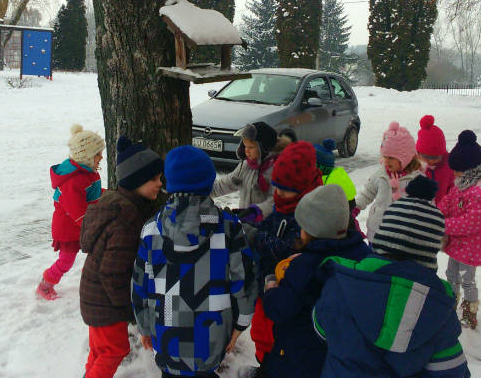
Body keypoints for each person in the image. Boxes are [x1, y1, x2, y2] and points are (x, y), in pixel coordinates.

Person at [312, 177, 470, 378]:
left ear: (382, 238)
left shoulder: (342, 284)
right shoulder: (437, 309)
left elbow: (321, 328)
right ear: (428, 253)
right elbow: (451, 372)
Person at [131, 145, 258, 378]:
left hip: (168, 334)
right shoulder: (228, 228)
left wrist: (145, 326)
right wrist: (241, 324)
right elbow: (245, 279)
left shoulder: (151, 230)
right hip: (212, 335)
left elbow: (141, 285)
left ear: (169, 184)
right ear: (209, 183)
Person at [260, 185, 370, 378]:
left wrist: (270, 287)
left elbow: (280, 308)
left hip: (304, 354)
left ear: (312, 229)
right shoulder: (364, 255)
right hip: (345, 352)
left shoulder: (305, 265)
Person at [80, 136, 164, 378]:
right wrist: (130, 310)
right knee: (113, 351)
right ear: (136, 180)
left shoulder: (116, 204)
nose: (160, 184)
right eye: (153, 179)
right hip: (107, 302)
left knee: (100, 350)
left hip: (95, 296)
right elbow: (113, 271)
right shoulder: (127, 218)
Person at [246, 141, 323, 372]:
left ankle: (271, 367)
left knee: (277, 336)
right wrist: (255, 225)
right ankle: (263, 363)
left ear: (303, 188)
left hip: (287, 291)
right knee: (260, 331)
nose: (277, 194)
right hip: (265, 283)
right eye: (275, 187)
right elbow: (270, 224)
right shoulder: (283, 205)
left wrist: (256, 237)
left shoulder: (308, 216)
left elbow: (288, 246)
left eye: (283, 189)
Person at [37, 124, 106, 300]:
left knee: (99, 249)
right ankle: (45, 285)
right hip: (68, 228)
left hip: (82, 224)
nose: (101, 157)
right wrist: (92, 226)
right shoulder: (73, 181)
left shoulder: (88, 171)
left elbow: (91, 192)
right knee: (66, 261)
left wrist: (108, 194)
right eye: (97, 153)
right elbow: (76, 209)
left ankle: (92, 276)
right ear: (87, 156)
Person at [439, 129, 481, 329]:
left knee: (467, 280)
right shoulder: (463, 183)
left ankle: (469, 310)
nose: (454, 174)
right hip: (457, 243)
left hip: (471, 246)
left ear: (470, 169)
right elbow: (449, 201)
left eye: (457, 171)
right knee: (450, 275)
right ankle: (450, 303)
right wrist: (436, 212)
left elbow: (471, 222)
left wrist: (443, 224)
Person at [211, 122, 290, 223]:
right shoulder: (246, 166)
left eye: (251, 147)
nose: (246, 151)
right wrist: (204, 190)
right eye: (245, 146)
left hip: (267, 224)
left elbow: (276, 201)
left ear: (264, 147)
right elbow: (226, 184)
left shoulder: (276, 168)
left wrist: (256, 212)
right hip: (246, 223)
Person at [355, 121, 422, 240]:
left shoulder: (416, 179)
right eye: (385, 156)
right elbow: (367, 193)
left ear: (405, 158)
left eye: (391, 158)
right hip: (377, 228)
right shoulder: (381, 174)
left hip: (402, 232)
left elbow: (424, 204)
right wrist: (356, 207)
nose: (386, 161)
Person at [416, 115, 455, 205]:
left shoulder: (448, 168)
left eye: (435, 157)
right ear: (418, 153)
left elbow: (451, 187)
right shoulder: (414, 168)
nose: (431, 161)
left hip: (441, 209)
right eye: (426, 157)